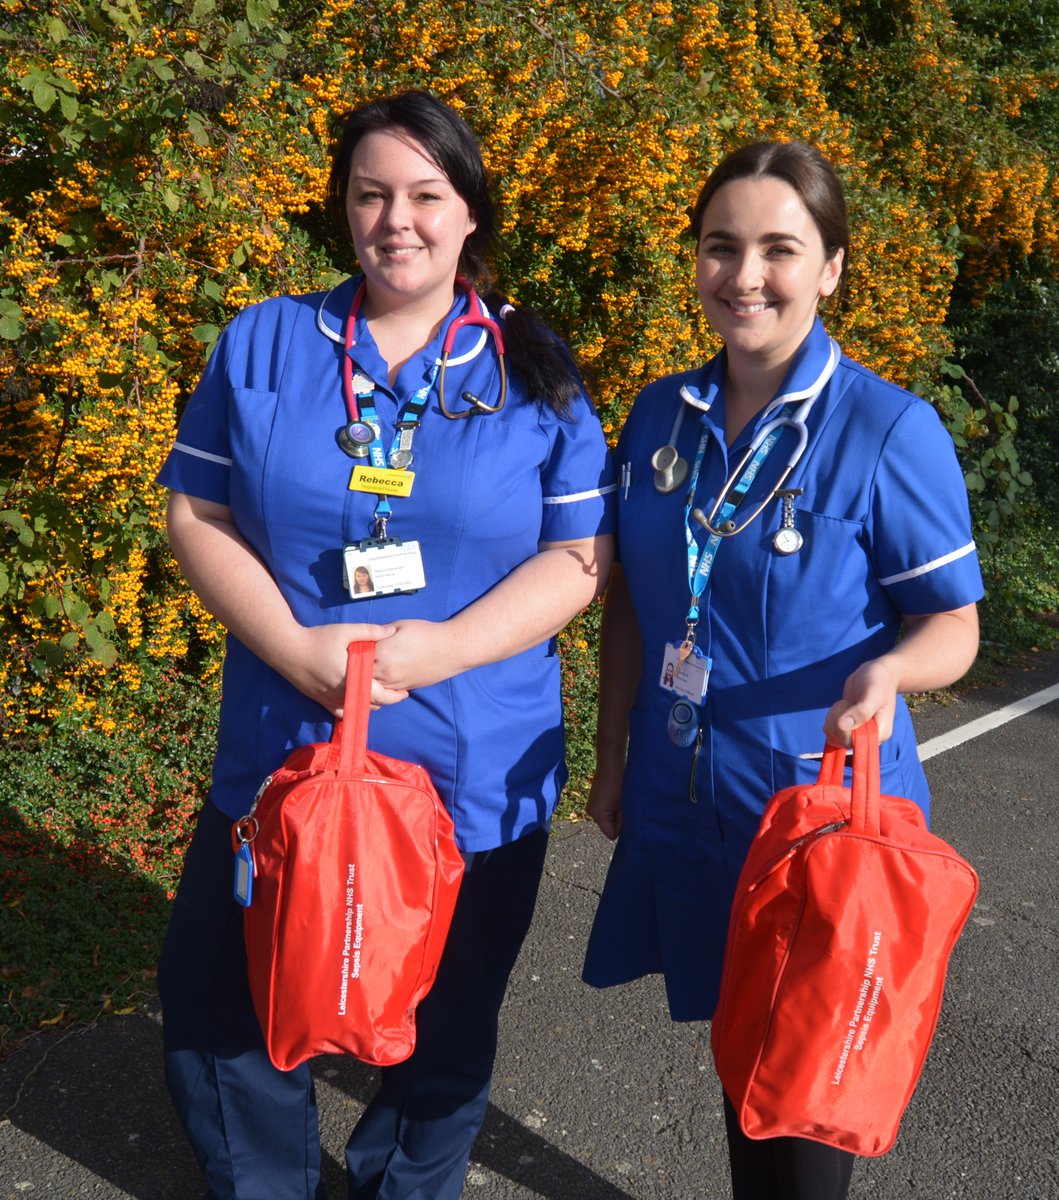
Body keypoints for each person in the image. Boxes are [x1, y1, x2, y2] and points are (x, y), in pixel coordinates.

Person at [157, 90, 615, 1200]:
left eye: (426, 194)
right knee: (221, 1005)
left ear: (470, 217)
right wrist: (295, 646)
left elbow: (580, 558)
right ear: (342, 209)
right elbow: (196, 515)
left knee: (442, 1025)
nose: (396, 220)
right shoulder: (265, 341)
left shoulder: (533, 365)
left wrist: (446, 649)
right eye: (371, 194)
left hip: (469, 768)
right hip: (282, 751)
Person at [581, 139, 982, 1199]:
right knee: (740, 1056)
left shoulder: (889, 429)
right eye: (721, 247)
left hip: (821, 816)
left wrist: (892, 676)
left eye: (777, 249)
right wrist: (611, 749)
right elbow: (634, 598)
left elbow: (953, 625)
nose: (744, 275)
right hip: (694, 797)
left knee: (807, 1096)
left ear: (832, 267)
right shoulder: (660, 415)